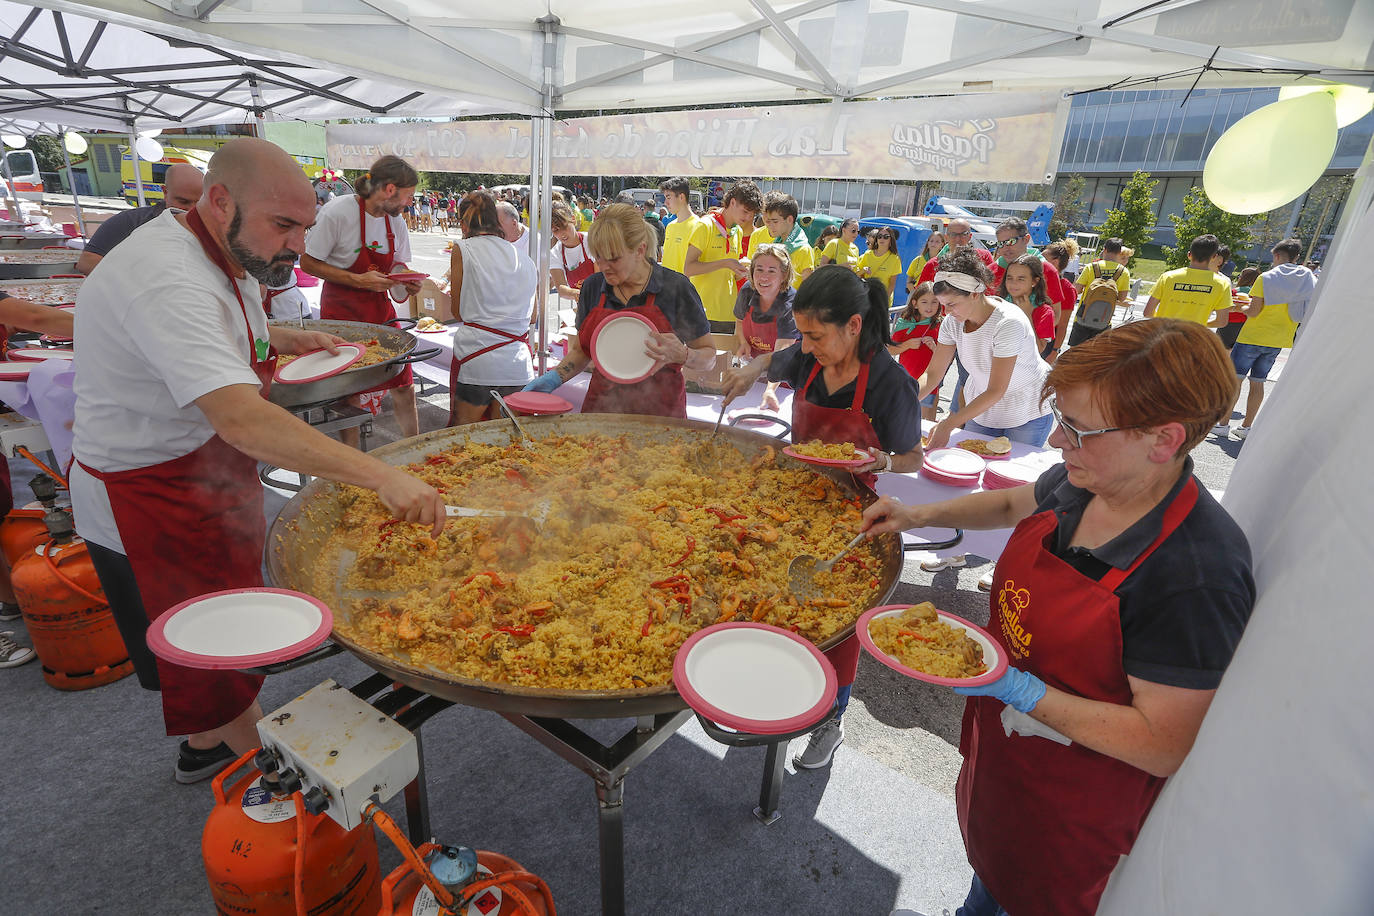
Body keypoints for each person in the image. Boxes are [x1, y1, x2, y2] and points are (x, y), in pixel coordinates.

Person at [69, 138, 444, 783]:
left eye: (303, 225)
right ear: (219, 201)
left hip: (199, 472)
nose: (298, 244)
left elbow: (228, 325)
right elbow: (242, 418)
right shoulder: (166, 277)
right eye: (284, 225)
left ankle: (211, 745)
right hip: (147, 493)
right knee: (212, 635)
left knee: (229, 619)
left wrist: (287, 335)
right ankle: (260, 779)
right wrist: (382, 474)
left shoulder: (213, 245)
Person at [862, 318, 1255, 916]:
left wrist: (1016, 686)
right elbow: (1013, 503)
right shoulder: (1086, 479)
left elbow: (1160, 743)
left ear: (1165, 439)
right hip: (1008, 755)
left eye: (1077, 429)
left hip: (1074, 803)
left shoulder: (1196, 574)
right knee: (988, 876)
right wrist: (916, 516)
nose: (1054, 442)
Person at [720, 265, 925, 769]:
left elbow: (913, 459)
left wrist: (880, 461)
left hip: (852, 512)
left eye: (815, 335)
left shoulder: (890, 383)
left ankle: (829, 721)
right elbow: (777, 358)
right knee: (773, 599)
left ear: (853, 325)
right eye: (803, 335)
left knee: (835, 621)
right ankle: (772, 694)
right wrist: (749, 370)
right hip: (789, 495)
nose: (806, 346)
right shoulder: (807, 355)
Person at [523, 204, 715, 417]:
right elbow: (581, 350)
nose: (604, 266)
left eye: (613, 258)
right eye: (598, 257)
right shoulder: (593, 287)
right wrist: (554, 377)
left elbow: (709, 357)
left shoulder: (676, 288)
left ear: (640, 250)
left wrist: (684, 354)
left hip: (661, 417)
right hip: (601, 411)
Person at [301, 155, 423, 446]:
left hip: (381, 311)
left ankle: (414, 447)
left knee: (403, 384)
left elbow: (398, 266)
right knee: (349, 389)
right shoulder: (338, 212)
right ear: (390, 189)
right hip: (342, 313)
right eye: (408, 196)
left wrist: (407, 281)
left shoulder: (397, 224)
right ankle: (353, 455)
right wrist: (357, 280)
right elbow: (307, 262)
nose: (409, 203)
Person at [918, 249, 1053, 450]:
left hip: (1027, 407)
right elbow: (933, 373)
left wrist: (949, 424)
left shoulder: (1008, 322)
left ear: (974, 293)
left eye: (952, 304)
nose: (946, 312)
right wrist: (906, 399)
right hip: (982, 406)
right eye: (943, 305)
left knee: (1009, 474)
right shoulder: (952, 322)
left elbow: (997, 389)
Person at [448, 190, 539, 426]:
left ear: (464, 223)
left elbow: (456, 311)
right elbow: (533, 317)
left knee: (463, 439)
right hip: (518, 365)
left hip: (477, 360)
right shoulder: (525, 260)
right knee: (510, 441)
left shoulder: (463, 249)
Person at [1223, 238, 1316, 439]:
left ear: (1276, 255)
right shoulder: (1306, 278)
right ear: (1297, 257)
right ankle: (1246, 427)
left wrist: (1240, 308)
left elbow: (1254, 311)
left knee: (1235, 380)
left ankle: (1223, 424)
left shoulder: (1266, 277)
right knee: (1258, 382)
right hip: (1279, 339)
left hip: (1253, 335)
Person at [76, 163, 205, 275]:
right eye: (183, 201)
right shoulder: (131, 221)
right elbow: (87, 261)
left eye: (199, 202)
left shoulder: (212, 227)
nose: (191, 210)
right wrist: (134, 283)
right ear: (165, 192)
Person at [685, 180, 762, 332]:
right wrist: (725, 263)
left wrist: (743, 270)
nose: (748, 218)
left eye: (752, 215)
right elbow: (688, 269)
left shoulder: (737, 231)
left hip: (729, 314)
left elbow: (731, 276)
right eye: (745, 212)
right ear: (732, 202)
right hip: (702, 312)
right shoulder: (705, 225)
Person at [732, 244, 799, 411]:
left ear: (784, 275)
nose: (763, 277)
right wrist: (743, 343)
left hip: (783, 380)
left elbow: (782, 353)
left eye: (771, 271)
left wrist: (769, 390)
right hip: (754, 373)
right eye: (759, 270)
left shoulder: (790, 302)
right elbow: (740, 321)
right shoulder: (747, 291)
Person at [1143, 234, 1231, 327]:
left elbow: (1148, 312)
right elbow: (1222, 322)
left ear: (1189, 255)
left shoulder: (1168, 277)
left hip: (1163, 334)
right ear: (1214, 257)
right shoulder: (1222, 284)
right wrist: (1199, 325)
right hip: (1193, 337)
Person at [888, 280, 942, 422]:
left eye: (934, 302)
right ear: (914, 303)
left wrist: (935, 349)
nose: (929, 307)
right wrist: (907, 345)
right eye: (924, 302)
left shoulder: (940, 325)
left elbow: (946, 357)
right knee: (903, 420)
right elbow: (890, 350)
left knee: (923, 422)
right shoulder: (905, 323)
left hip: (929, 383)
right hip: (906, 381)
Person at [1067, 237, 1131, 349]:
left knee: (1075, 354)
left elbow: (1076, 290)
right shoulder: (1123, 272)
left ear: (1104, 249)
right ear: (1119, 252)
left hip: (1083, 317)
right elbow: (1122, 298)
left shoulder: (1091, 267)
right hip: (1104, 320)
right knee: (1095, 356)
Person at [747, 191, 815, 291]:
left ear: (790, 220)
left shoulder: (804, 250)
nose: (769, 225)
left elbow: (809, 290)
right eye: (768, 221)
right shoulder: (776, 243)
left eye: (775, 221)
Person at [998, 255, 1056, 357]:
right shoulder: (998, 303)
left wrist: (1027, 315)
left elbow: (1038, 349)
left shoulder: (1045, 312)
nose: (1013, 283)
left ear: (1034, 281)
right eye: (1009, 278)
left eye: (1021, 279)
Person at [913, 218, 995, 286]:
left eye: (963, 234)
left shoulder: (984, 257)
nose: (958, 239)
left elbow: (992, 287)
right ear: (946, 238)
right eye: (953, 234)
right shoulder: (932, 265)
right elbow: (922, 296)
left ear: (970, 237)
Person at [549, 200, 595, 306]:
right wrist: (579, 295)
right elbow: (561, 288)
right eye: (555, 230)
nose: (561, 234)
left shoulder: (591, 241)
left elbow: (601, 279)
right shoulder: (555, 253)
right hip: (584, 304)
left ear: (573, 219)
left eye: (564, 226)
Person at [1040, 240, 1079, 359]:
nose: (1038, 261)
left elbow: (1062, 325)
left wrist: (1054, 352)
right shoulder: (1036, 282)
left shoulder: (1067, 289)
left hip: (1048, 342)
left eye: (1042, 258)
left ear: (1054, 262)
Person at [659, 177, 698, 274]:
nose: (665, 203)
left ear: (681, 197)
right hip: (667, 287)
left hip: (686, 288)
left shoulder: (698, 226)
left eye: (668, 197)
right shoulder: (670, 226)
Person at [1217, 266, 1260, 351]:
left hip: (1228, 323)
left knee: (1220, 351)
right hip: (1246, 325)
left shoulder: (1234, 291)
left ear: (1243, 278)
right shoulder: (1258, 294)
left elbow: (1224, 307)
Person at [857, 227, 902, 302]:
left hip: (882, 300)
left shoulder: (895, 259)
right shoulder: (867, 254)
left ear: (891, 240)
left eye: (886, 237)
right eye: (879, 236)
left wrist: (885, 301)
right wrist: (863, 271)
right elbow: (858, 275)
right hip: (866, 299)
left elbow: (892, 284)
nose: (882, 239)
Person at [905, 228, 946, 296]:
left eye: (937, 242)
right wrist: (914, 291)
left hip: (936, 296)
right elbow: (909, 279)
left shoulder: (944, 262)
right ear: (927, 243)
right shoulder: (917, 260)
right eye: (931, 241)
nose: (933, 243)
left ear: (942, 244)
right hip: (917, 294)